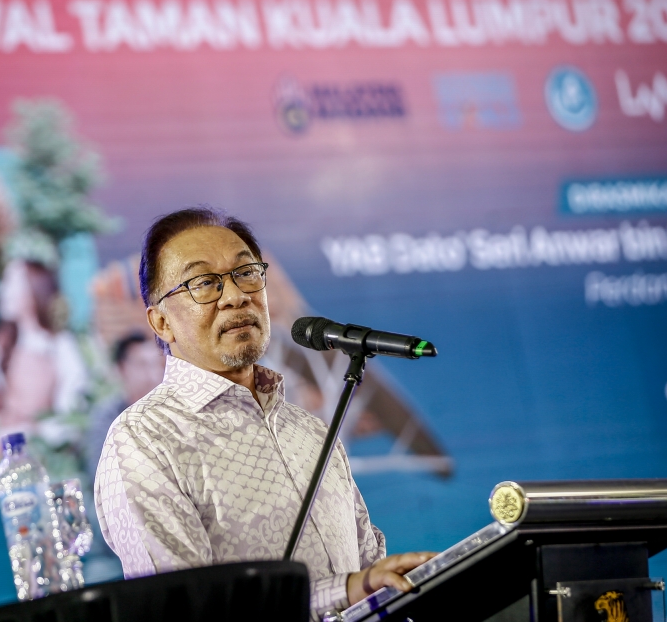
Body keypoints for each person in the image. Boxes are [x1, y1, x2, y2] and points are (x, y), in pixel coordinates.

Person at [94, 208, 434, 619]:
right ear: (161, 322)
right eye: (204, 283)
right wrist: (343, 591)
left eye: (247, 273)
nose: (236, 296)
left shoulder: (308, 430)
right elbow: (184, 608)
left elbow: (367, 570)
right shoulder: (143, 442)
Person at [0, 258, 87, 433]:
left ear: (34, 289)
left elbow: (71, 408)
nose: (3, 291)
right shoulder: (2, 342)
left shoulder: (60, 345)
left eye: (11, 283)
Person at [86, 332, 165, 474]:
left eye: (155, 364)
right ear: (121, 369)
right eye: (142, 364)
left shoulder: (171, 410)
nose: (152, 374)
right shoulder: (108, 416)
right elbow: (101, 470)